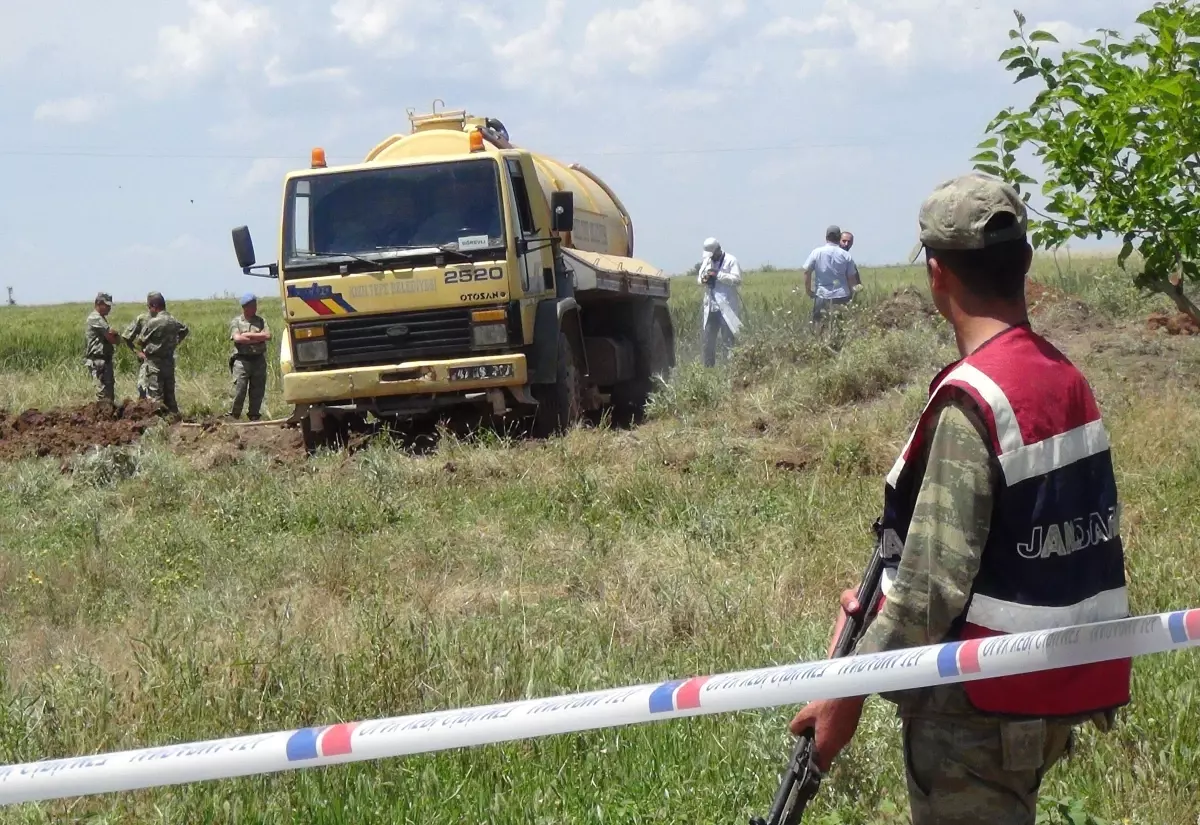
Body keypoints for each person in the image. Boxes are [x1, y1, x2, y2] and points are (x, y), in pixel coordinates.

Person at [786, 173, 1131, 825]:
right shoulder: (1063, 378)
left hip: (977, 715)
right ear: (1023, 262)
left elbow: (928, 596)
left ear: (937, 274)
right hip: (1050, 690)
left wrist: (843, 695)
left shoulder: (976, 400)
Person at [124, 292, 190, 415]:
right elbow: (184, 330)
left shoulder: (152, 322)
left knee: (155, 397)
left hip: (154, 364)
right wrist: (173, 343)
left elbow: (141, 341)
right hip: (169, 361)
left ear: (154, 306)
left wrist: (150, 347)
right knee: (170, 395)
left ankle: (157, 424)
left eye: (149, 307)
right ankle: (174, 419)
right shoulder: (173, 321)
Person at [803, 225, 861, 329]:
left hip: (822, 295)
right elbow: (851, 279)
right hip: (842, 295)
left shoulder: (816, 252)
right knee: (841, 326)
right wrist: (853, 296)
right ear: (839, 238)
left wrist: (809, 291)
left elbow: (807, 272)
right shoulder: (846, 255)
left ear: (826, 237)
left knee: (819, 326)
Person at [698, 237, 743, 367]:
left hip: (726, 308)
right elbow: (699, 279)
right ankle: (708, 370)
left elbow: (737, 279)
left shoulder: (731, 260)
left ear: (718, 250)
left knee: (727, 341)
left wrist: (718, 275)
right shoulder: (707, 261)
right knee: (708, 341)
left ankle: (728, 368)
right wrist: (705, 279)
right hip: (711, 307)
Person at [228, 293, 272, 421]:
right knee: (240, 389)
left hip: (258, 359)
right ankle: (234, 415)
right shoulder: (236, 322)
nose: (255, 308)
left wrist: (247, 335)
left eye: (255, 305)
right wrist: (257, 337)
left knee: (257, 390)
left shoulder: (261, 321)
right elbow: (237, 338)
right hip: (242, 360)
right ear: (245, 307)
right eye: (252, 306)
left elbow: (268, 336)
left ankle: (254, 415)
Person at [83, 292, 121, 404]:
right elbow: (112, 338)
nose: (109, 308)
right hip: (98, 360)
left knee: (109, 393)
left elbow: (115, 339)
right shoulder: (95, 318)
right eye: (107, 305)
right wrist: (116, 335)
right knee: (103, 394)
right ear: (99, 303)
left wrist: (116, 335)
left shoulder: (101, 318)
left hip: (104, 360)